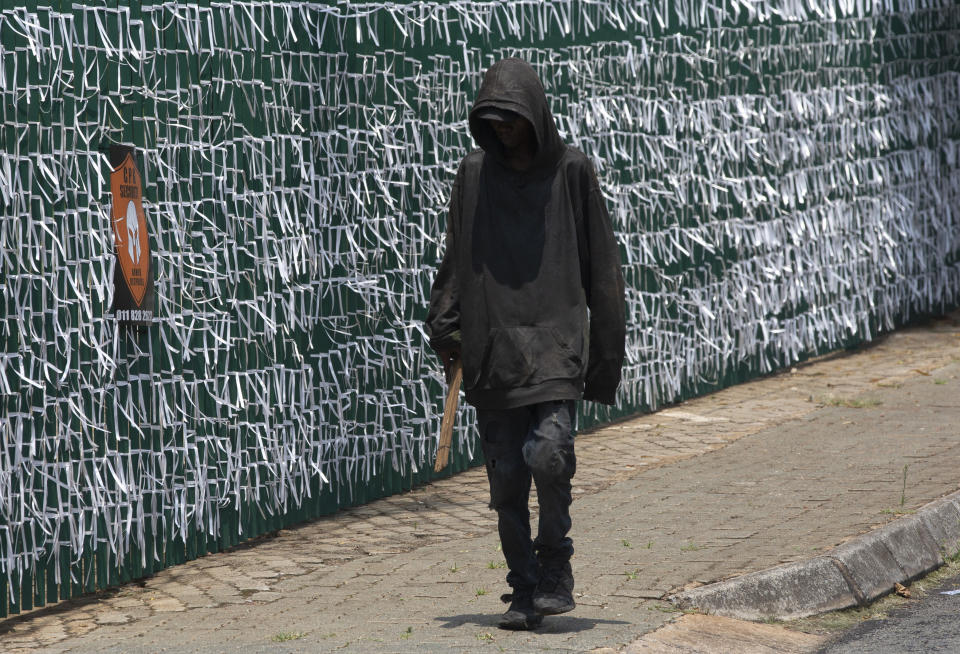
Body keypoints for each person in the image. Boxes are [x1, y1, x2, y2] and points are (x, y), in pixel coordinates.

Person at [426, 58, 626, 630]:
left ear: (536, 115)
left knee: (548, 455)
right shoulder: (472, 176)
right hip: (494, 353)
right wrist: (445, 323)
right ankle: (524, 590)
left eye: (513, 118)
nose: (505, 128)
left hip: (556, 349)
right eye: (495, 120)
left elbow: (603, 270)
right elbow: (458, 257)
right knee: (507, 480)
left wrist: (604, 360)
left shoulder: (571, 173)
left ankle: (555, 564)